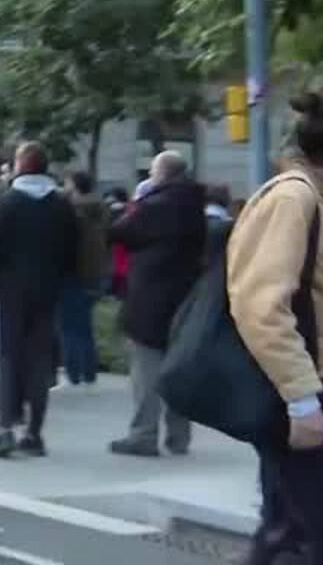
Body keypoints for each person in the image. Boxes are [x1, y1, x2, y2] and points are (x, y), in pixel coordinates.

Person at [229, 93, 323, 564]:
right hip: (302, 400)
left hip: (314, 396)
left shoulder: (313, 198)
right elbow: (260, 304)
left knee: (296, 533)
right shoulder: (295, 198)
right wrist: (302, 397)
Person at [107, 151, 205, 458]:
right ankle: (179, 437)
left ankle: (143, 434)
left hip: (150, 299)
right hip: (185, 296)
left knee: (147, 371)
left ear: (161, 173)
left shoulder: (155, 205)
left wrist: (129, 206)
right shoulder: (194, 205)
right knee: (178, 370)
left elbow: (119, 231)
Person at [0, 141, 79, 459]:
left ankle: (5, 428)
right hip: (48, 290)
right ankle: (34, 432)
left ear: (21, 165)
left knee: (8, 357)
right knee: (39, 360)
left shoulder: (7, 202)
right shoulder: (61, 204)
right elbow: (72, 249)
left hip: (11, 290)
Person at [57, 170, 111, 391]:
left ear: (75, 185)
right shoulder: (100, 209)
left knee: (68, 326)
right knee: (85, 326)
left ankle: (73, 373)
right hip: (95, 273)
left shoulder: (71, 211)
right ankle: (89, 371)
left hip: (72, 272)